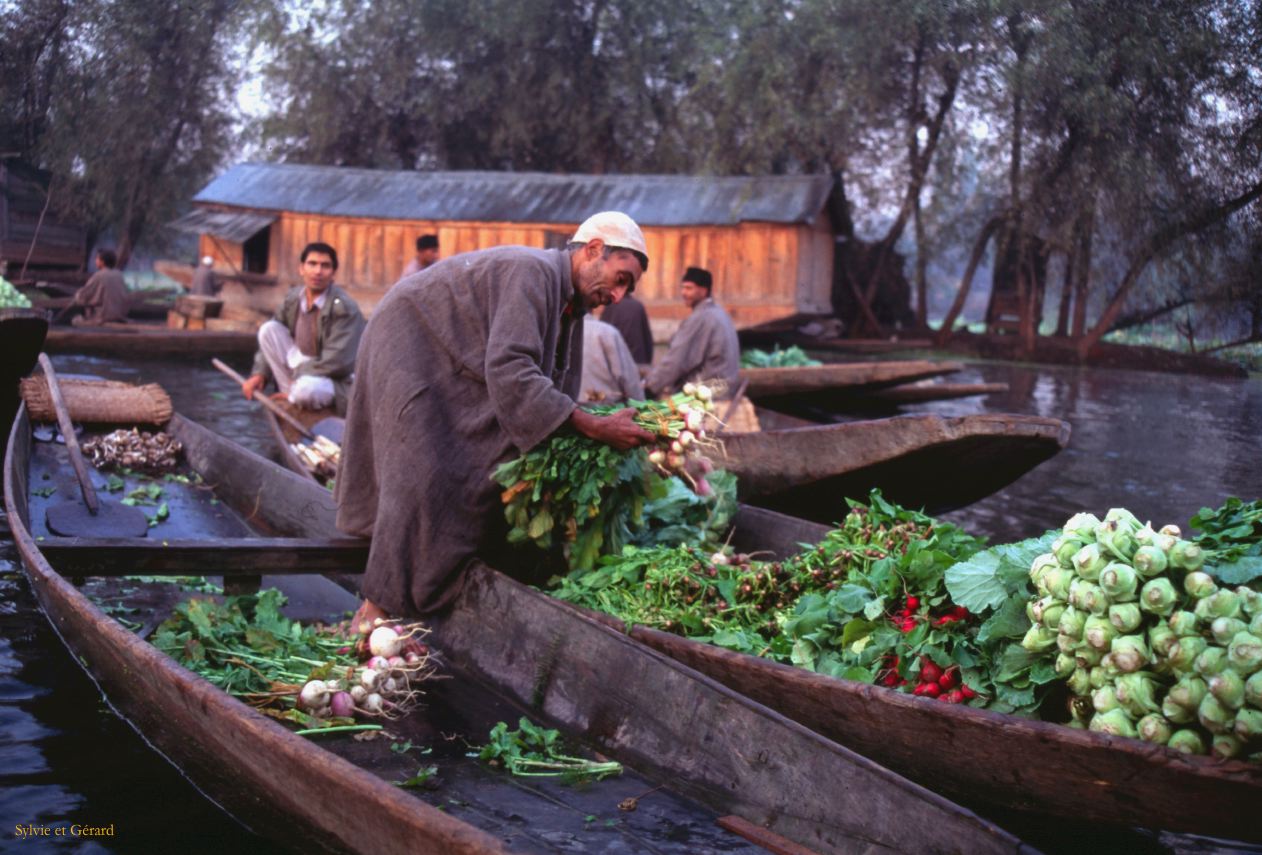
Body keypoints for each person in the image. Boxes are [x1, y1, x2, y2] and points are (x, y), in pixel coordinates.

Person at [336, 211, 655, 623]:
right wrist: (591, 424)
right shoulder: (533, 274)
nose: (617, 296)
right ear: (593, 250)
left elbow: (552, 387)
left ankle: (447, 582)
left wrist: (576, 422)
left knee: (484, 461)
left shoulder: (569, 305)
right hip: (410, 340)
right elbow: (511, 368)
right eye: (621, 278)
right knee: (420, 468)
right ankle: (375, 610)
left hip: (459, 355)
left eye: (627, 288)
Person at [240, 242, 365, 414]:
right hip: (301, 369)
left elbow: (339, 361)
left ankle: (294, 394)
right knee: (268, 329)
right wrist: (260, 374)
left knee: (307, 390)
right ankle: (289, 393)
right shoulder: (293, 298)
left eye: (325, 266)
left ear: (333, 273)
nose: (318, 271)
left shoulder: (344, 308)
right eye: (312, 264)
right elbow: (273, 338)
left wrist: (300, 373)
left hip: (333, 378)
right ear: (301, 268)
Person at [644, 266, 741, 398]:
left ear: (703, 290)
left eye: (689, 288)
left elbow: (676, 360)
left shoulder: (702, 318)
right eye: (683, 288)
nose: (684, 293)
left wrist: (649, 388)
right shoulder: (719, 312)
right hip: (725, 388)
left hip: (709, 392)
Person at [580, 310, 644, 403]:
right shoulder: (606, 332)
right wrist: (639, 405)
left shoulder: (557, 331)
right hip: (604, 406)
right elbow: (628, 378)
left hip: (569, 409)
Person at [71, 249, 130, 326]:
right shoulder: (119, 275)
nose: (96, 261)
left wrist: (77, 296)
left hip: (102, 317)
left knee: (75, 320)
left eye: (97, 259)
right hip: (119, 316)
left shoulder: (99, 275)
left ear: (102, 262)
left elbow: (83, 295)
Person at [600, 291, 654, 365]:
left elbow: (602, 334)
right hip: (637, 360)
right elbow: (647, 338)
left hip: (617, 361)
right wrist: (647, 362)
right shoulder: (638, 306)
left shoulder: (610, 307)